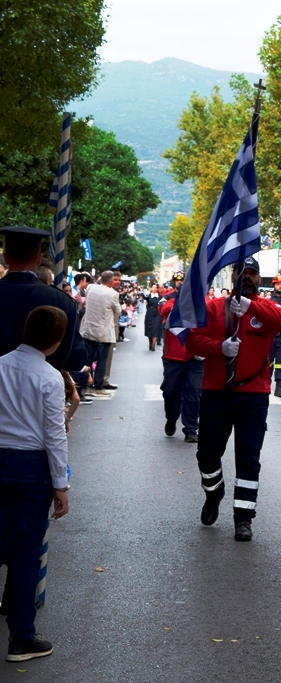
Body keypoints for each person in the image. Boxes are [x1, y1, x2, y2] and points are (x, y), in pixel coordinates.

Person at [184, 257, 281, 541]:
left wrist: (251, 307)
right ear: (232, 275)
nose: (247, 278)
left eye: (253, 273)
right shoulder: (215, 308)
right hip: (217, 392)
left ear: (259, 278)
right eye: (242, 272)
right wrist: (220, 347)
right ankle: (214, 491)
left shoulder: (265, 308)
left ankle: (243, 518)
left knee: (248, 458)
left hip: (253, 395)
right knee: (207, 454)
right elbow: (193, 340)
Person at [0, 306, 70, 661]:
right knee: (25, 554)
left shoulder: (0, 364)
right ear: (56, 342)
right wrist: (61, 483)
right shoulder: (49, 377)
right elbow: (54, 434)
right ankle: (21, 637)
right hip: (32, 465)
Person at [0, 227, 85, 372]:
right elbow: (75, 360)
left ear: (6, 257)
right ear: (39, 259)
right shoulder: (61, 301)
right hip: (39, 389)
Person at [159, 292, 203, 442]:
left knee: (193, 392)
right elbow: (165, 310)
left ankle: (191, 429)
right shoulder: (171, 303)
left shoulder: (202, 304)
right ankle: (171, 418)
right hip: (174, 357)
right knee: (170, 392)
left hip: (195, 357)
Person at [80, 270, 124, 393]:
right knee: (102, 360)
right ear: (110, 281)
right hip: (103, 332)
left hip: (88, 330)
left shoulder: (90, 288)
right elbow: (118, 312)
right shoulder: (113, 294)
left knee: (88, 359)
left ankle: (86, 384)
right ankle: (98, 385)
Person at [143, 284, 163, 351]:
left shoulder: (160, 297)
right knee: (149, 329)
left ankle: (153, 345)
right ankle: (150, 342)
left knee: (155, 328)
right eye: (153, 287)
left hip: (157, 314)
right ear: (151, 288)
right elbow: (142, 296)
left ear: (157, 289)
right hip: (149, 313)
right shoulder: (148, 296)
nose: (154, 289)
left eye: (155, 287)